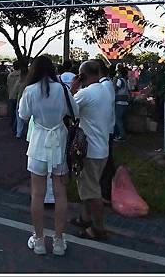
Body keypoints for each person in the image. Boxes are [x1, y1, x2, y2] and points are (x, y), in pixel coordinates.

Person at [19, 55, 79, 256]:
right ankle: (59, 241)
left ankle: (38, 240)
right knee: (60, 194)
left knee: (37, 194)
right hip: (59, 143)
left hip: (38, 144)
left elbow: (23, 115)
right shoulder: (62, 89)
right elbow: (75, 112)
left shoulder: (30, 90)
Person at [70, 60, 112, 241]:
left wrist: (73, 88)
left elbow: (67, 108)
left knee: (92, 191)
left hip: (90, 150)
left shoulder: (85, 93)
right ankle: (85, 218)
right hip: (102, 147)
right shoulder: (104, 90)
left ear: (83, 76)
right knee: (89, 187)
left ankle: (99, 228)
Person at [93, 59, 116, 204]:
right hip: (105, 128)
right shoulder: (105, 84)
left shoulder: (105, 85)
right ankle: (107, 190)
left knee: (106, 163)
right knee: (107, 162)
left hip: (105, 129)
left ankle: (106, 193)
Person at [114, 66, 130, 142]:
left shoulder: (120, 80)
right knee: (122, 120)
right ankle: (122, 134)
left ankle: (121, 135)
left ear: (120, 73)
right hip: (125, 102)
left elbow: (115, 89)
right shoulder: (126, 81)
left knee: (118, 119)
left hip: (119, 102)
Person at [7, 61, 20, 135]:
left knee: (12, 113)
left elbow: (8, 85)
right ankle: (15, 128)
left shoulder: (10, 75)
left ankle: (12, 125)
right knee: (17, 113)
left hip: (11, 95)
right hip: (18, 96)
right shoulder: (21, 75)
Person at [15, 62, 28, 139]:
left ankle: (18, 133)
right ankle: (26, 133)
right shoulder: (28, 83)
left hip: (19, 101)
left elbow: (15, 91)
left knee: (19, 119)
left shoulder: (18, 82)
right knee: (26, 119)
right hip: (26, 102)